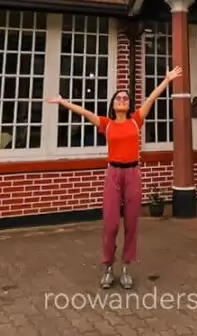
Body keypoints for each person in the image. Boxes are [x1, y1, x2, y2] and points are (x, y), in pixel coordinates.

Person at [48, 65, 183, 290]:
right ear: (112, 104)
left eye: (125, 98)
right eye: (118, 98)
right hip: (113, 174)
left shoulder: (136, 120)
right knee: (111, 224)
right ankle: (108, 267)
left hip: (133, 173)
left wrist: (167, 80)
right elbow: (84, 113)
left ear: (129, 105)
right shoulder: (106, 124)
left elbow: (152, 97)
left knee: (131, 223)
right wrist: (63, 102)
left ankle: (126, 268)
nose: (122, 100)